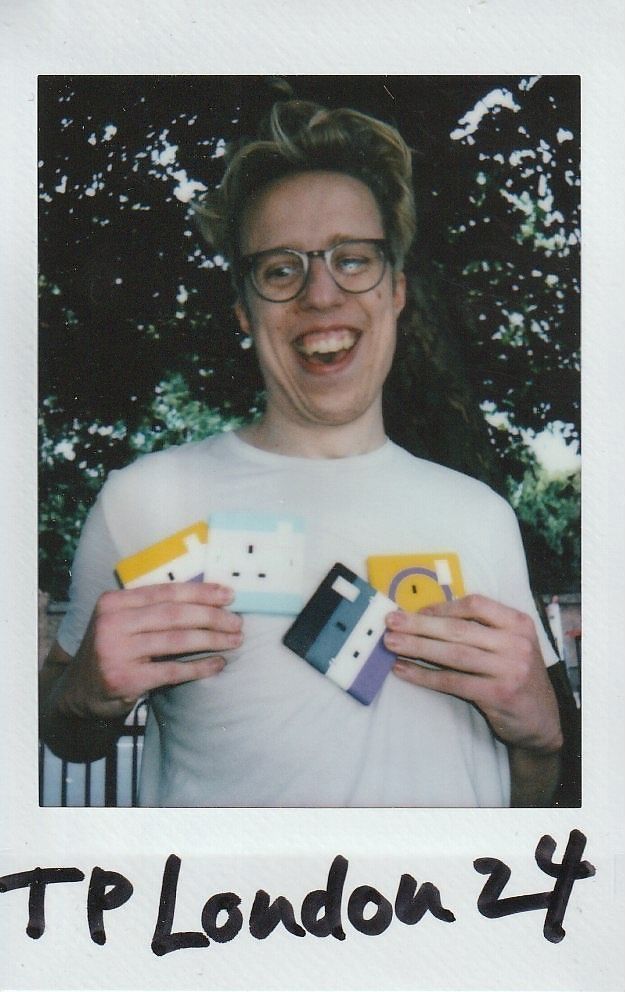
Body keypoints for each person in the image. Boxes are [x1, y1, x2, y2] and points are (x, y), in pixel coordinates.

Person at [39, 100, 564, 807]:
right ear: (242, 311)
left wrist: (539, 737)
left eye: (352, 259)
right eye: (281, 270)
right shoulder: (145, 500)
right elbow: (65, 736)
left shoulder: (482, 515)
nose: (321, 294)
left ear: (396, 290)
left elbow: (538, 804)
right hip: (233, 917)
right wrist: (81, 699)